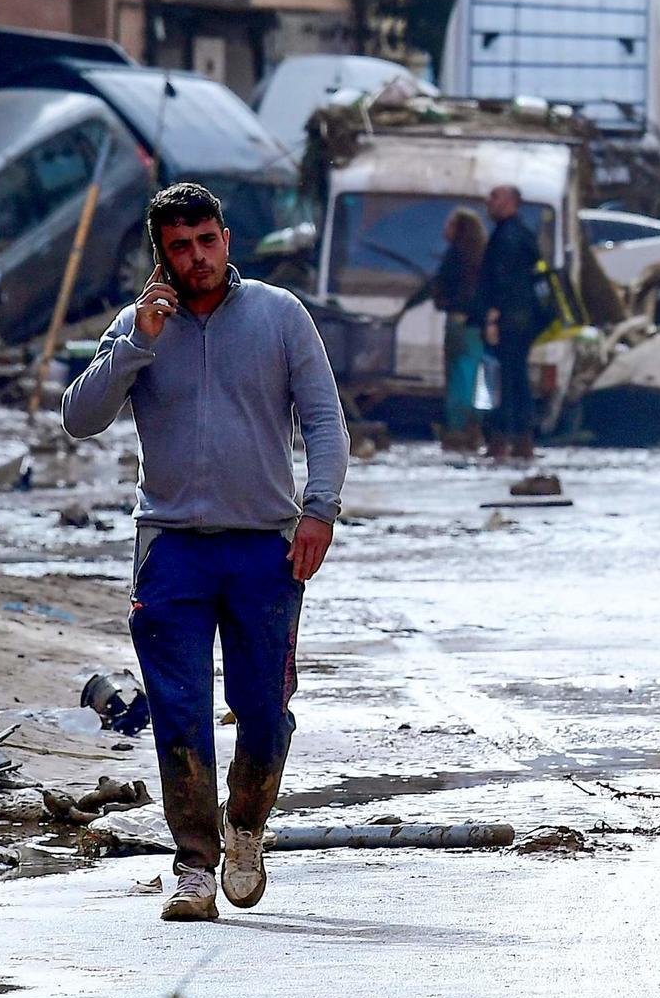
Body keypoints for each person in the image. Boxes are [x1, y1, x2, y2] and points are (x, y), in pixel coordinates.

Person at [62, 183, 348, 923]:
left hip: (266, 548)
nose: (196, 259)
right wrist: (137, 345)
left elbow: (323, 419)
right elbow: (80, 418)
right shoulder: (138, 327)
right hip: (172, 550)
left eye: (206, 241)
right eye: (179, 248)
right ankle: (192, 865)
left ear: (226, 238)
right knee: (179, 711)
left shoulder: (281, 316)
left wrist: (320, 510)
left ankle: (245, 826)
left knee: (262, 708)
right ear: (161, 256)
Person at [398, 206, 486, 453]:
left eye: (449, 225)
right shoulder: (481, 257)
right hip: (476, 326)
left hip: (458, 323)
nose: (444, 230)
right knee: (472, 377)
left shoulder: (455, 256)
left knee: (458, 377)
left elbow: (436, 285)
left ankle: (457, 430)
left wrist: (409, 305)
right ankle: (474, 427)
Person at [474, 184, 543, 461]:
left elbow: (503, 279)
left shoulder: (508, 237)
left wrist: (493, 315)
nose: (488, 201)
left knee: (506, 381)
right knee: (515, 379)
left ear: (511, 202)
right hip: (522, 319)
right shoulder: (521, 233)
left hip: (510, 320)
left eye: (495, 197)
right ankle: (519, 439)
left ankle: (506, 439)